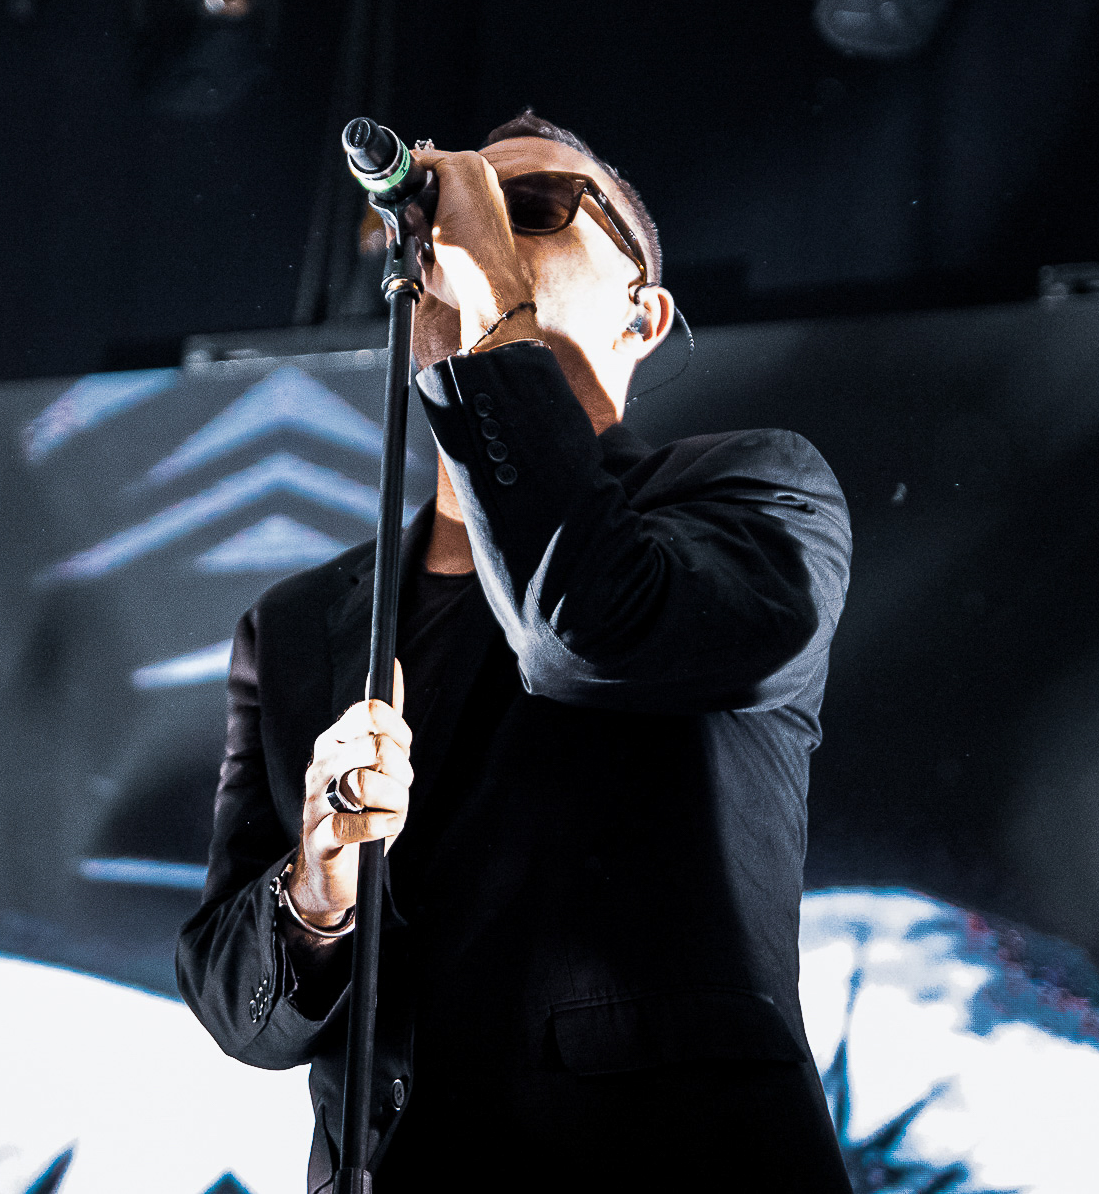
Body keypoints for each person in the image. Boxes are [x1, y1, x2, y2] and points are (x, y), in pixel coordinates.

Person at [176, 111, 854, 1192]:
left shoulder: (756, 494)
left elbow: (586, 628)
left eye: (528, 207)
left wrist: (496, 303)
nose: (463, 232)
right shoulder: (297, 624)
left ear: (644, 314)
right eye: (443, 219)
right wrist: (317, 890)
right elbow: (235, 1005)